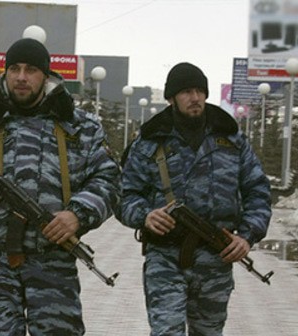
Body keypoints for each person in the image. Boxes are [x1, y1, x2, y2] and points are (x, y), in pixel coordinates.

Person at [0, 38, 120, 335]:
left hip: (53, 260)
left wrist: (77, 214)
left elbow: (109, 181)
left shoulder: (79, 127)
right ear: (5, 73)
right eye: (14, 69)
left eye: (31, 69)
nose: (21, 77)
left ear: (45, 76)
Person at [117, 62, 272, 336]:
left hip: (216, 257)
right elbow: (124, 195)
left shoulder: (231, 139)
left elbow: (257, 191)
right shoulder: (150, 142)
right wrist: (145, 216)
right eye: (187, 91)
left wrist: (247, 236)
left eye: (200, 91)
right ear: (171, 98)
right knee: (166, 331)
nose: (195, 97)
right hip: (164, 257)